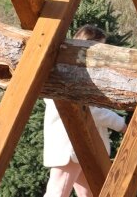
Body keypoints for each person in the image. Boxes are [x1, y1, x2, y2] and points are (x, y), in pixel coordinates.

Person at [43, 25, 127, 197]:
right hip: (71, 146)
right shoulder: (73, 75)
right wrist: (121, 124)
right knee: (57, 192)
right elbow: (90, 111)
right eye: (100, 48)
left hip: (82, 147)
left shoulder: (72, 71)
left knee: (89, 194)